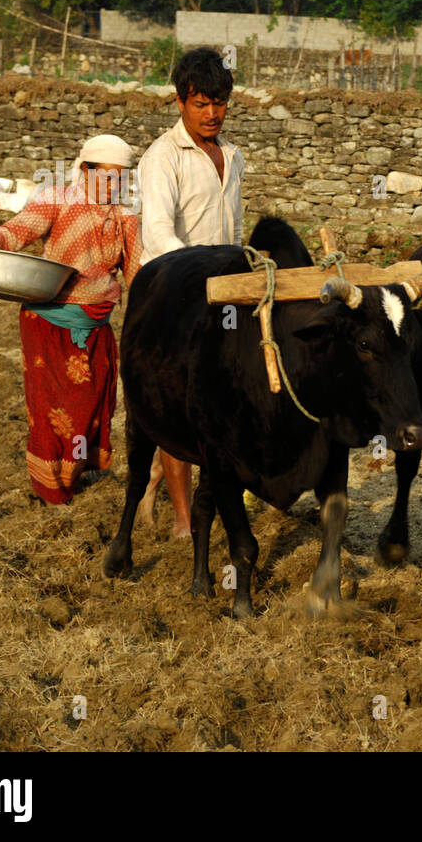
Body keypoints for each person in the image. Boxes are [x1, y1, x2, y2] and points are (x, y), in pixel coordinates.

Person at [0, 135, 142, 505]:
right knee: (50, 410)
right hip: (48, 324)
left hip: (95, 327)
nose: (114, 186)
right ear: (85, 171)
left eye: (121, 179)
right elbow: (16, 232)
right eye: (107, 177)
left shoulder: (126, 219)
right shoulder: (57, 200)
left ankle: (71, 475)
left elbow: (136, 275)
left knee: (89, 407)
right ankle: (51, 490)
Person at [136, 47, 245, 537]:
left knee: (224, 399)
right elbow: (158, 230)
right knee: (173, 403)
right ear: (179, 101)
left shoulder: (233, 156)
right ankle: (184, 521)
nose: (212, 113)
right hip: (173, 295)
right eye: (201, 103)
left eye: (219, 102)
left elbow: (235, 230)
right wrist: (196, 279)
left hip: (223, 295)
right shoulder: (162, 157)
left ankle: (200, 492)